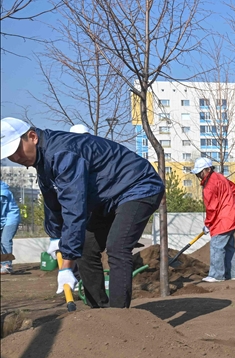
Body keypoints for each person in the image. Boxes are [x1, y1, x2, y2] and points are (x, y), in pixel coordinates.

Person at [0, 117, 164, 308]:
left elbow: (74, 205)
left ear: (32, 137)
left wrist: (66, 264)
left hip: (138, 186)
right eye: (9, 155)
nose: (16, 158)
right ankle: (100, 312)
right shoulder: (42, 161)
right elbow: (53, 203)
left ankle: (119, 314)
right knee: (86, 248)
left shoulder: (62, 153)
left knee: (117, 247)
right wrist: (55, 237)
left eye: (16, 150)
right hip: (107, 197)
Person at [192, 157, 235, 283]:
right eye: (198, 173)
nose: (199, 176)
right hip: (231, 216)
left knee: (216, 246)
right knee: (229, 247)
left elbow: (211, 208)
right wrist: (231, 203)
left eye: (200, 173)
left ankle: (216, 275)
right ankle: (231, 273)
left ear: (208, 169)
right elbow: (234, 189)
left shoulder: (210, 185)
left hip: (222, 220)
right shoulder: (220, 177)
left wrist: (208, 224)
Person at [0, 180, 20, 274]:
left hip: (11, 219)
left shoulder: (2, 192)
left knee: (5, 240)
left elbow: (2, 214)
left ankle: (7, 265)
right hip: (4, 218)